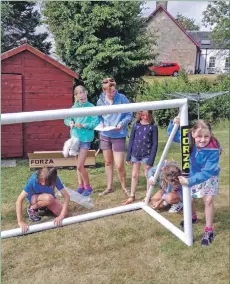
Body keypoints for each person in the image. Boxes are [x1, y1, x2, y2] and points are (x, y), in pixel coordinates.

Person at [169, 118, 221, 246]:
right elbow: (173, 136)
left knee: (208, 201)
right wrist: (174, 123)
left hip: (209, 176)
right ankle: (193, 216)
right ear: (193, 134)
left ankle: (209, 230)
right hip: (192, 174)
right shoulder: (188, 141)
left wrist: (189, 180)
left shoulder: (214, 149)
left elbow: (207, 172)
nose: (202, 140)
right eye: (199, 136)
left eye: (206, 136)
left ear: (210, 135)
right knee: (190, 198)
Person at [96, 78, 133, 196]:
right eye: (109, 92)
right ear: (104, 90)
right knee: (107, 162)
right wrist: (100, 123)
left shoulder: (122, 98)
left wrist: (122, 124)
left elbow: (129, 114)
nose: (112, 94)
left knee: (119, 165)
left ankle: (124, 187)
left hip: (119, 134)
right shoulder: (100, 101)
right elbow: (98, 116)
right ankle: (109, 187)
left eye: (113, 91)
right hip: (105, 134)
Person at [64, 85, 99, 196]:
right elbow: (67, 118)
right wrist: (69, 122)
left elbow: (95, 123)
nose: (82, 100)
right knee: (77, 164)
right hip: (75, 138)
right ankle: (80, 186)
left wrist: (83, 125)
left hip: (86, 139)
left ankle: (88, 187)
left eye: (83, 98)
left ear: (86, 93)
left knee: (80, 165)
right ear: (76, 97)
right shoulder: (74, 107)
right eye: (80, 98)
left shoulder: (91, 107)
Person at [16, 167, 70, 233]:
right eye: (41, 180)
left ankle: (46, 206)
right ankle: (32, 208)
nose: (44, 183)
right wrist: (20, 222)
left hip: (49, 198)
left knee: (66, 215)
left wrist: (61, 215)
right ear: (39, 177)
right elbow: (19, 200)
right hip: (34, 198)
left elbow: (66, 196)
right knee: (49, 198)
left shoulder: (54, 178)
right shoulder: (32, 180)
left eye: (46, 181)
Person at [124, 110, 158, 204]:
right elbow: (131, 140)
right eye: (143, 115)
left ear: (150, 114)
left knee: (148, 175)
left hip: (147, 155)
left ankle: (148, 195)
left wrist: (151, 160)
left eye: (147, 115)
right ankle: (132, 195)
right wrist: (128, 156)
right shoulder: (136, 125)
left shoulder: (153, 126)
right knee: (134, 175)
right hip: (135, 154)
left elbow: (155, 144)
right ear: (139, 114)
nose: (145, 117)